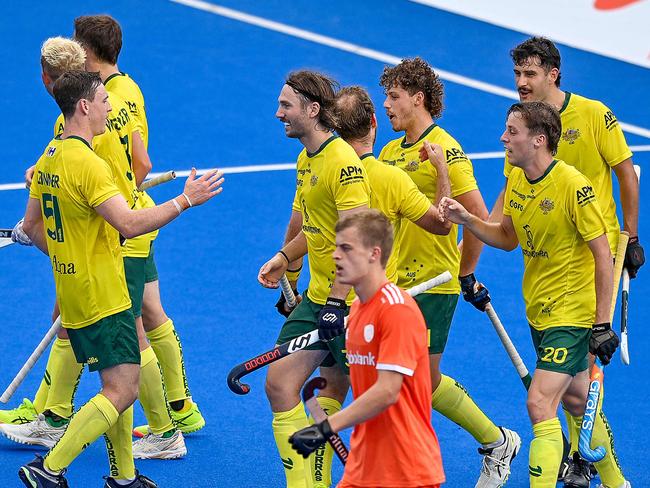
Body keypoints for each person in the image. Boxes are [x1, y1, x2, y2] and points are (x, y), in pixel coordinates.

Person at [18, 70, 222, 487]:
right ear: (84, 107)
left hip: (74, 291)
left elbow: (32, 226)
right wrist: (185, 200)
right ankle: (49, 468)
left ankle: (123, 476)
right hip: (104, 294)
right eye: (103, 100)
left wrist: (67, 256)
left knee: (116, 380)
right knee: (124, 388)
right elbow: (129, 224)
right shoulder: (88, 164)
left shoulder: (50, 156)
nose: (110, 106)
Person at [0, 36, 186, 461]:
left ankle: (153, 427)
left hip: (116, 239)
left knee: (127, 338)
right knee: (129, 325)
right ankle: (79, 424)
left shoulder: (68, 138)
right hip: (130, 223)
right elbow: (141, 165)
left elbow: (65, 201)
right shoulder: (125, 95)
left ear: (50, 82)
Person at [440, 101, 629, 488]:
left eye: (512, 131)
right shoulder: (518, 176)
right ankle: (618, 484)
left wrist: (601, 324)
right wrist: (468, 220)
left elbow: (602, 254)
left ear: (539, 140)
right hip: (539, 312)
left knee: (540, 403)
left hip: (571, 314)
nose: (502, 138)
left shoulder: (574, 186)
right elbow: (507, 238)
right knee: (577, 402)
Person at [491, 36, 642, 487]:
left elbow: (626, 173)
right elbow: (510, 203)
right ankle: (601, 470)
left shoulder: (594, 114)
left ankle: (578, 460)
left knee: (550, 393)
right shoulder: (522, 132)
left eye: (529, 74)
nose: (520, 83)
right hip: (547, 268)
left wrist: (631, 235)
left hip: (589, 263)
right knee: (578, 393)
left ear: (552, 74)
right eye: (517, 74)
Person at [378, 57, 520, 486]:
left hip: (434, 284)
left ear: (417, 98)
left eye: (394, 96)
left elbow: (476, 218)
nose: (386, 105)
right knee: (421, 377)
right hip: (399, 283)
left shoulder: (448, 149)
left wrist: (463, 272)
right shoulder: (389, 152)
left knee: (406, 379)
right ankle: (497, 441)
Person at [74, 14, 206, 438]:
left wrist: (115, 195)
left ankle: (165, 429)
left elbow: (137, 164)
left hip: (124, 224)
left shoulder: (99, 99)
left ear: (88, 52)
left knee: (131, 325)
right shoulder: (129, 88)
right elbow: (143, 161)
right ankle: (182, 407)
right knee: (151, 310)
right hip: (141, 215)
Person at [257, 70, 370, 488]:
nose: (278, 113)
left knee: (381, 406)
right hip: (320, 299)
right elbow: (319, 227)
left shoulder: (343, 163)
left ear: (313, 110)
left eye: (286, 106)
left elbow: (355, 236)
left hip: (355, 306)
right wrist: (284, 257)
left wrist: (339, 302)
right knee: (280, 384)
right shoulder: (306, 159)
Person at [289, 209, 445, 488]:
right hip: (365, 465)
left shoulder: (397, 311)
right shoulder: (360, 308)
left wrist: (325, 428)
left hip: (406, 468)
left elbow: (387, 391)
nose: (336, 256)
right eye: (337, 247)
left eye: (346, 248)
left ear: (374, 254)